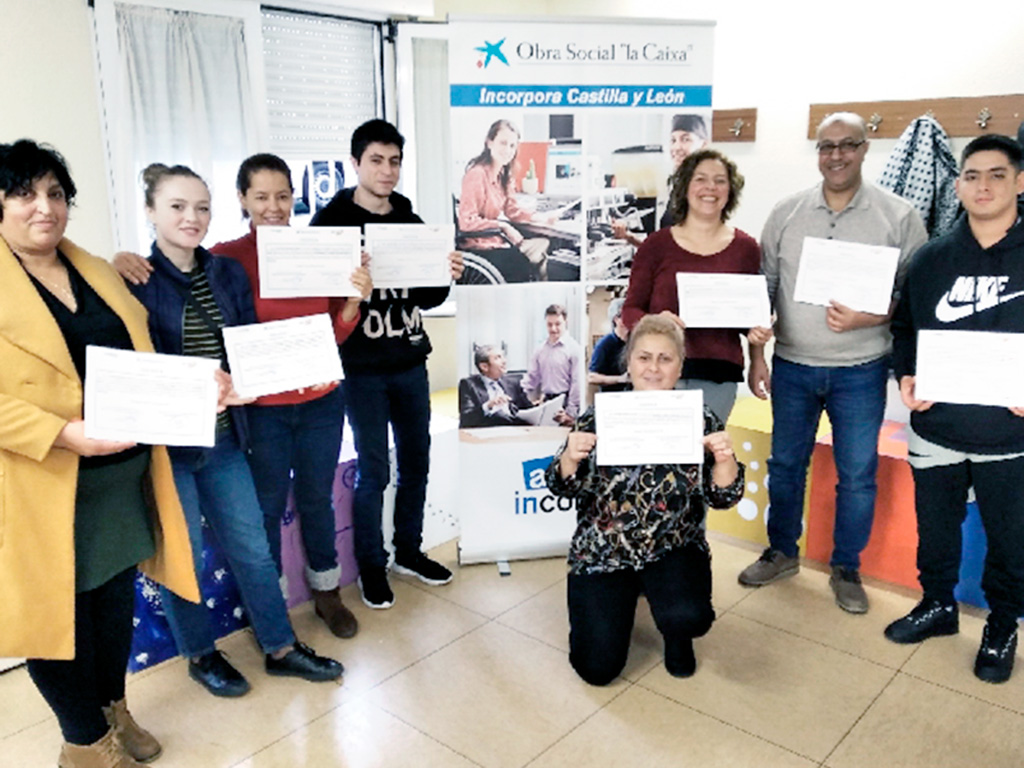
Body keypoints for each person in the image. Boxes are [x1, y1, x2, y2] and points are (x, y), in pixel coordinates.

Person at [116, 154, 372, 640]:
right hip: (260, 411)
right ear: (242, 199)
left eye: (283, 196)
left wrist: (356, 297)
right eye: (261, 196)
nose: (274, 206)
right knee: (266, 511)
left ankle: (326, 592)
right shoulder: (225, 260)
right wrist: (118, 261)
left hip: (320, 401)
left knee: (317, 499)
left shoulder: (319, 250)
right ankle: (273, 608)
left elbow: (335, 333)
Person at [0, 140, 198, 767]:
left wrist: (199, 388)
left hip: (120, 478)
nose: (44, 207)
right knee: (56, 619)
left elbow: (141, 360)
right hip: (41, 483)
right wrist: (61, 434)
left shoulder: (95, 268)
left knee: (113, 605)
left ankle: (113, 707)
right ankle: (83, 742)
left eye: (55, 193)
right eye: (24, 194)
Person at [738, 112, 928, 614]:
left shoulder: (899, 216)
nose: (836, 155)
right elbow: (764, 292)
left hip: (862, 369)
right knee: (785, 467)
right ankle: (782, 551)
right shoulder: (787, 212)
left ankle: (847, 567)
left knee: (858, 475)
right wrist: (756, 356)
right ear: (817, 153)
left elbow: (915, 297)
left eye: (847, 145)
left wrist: (873, 316)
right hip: (793, 365)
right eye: (826, 146)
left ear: (864, 149)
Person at [310, 119, 464, 610]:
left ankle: (408, 552)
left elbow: (429, 296)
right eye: (376, 160)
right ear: (355, 163)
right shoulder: (330, 223)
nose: (387, 171)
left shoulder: (410, 220)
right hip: (361, 368)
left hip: (409, 359)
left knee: (417, 461)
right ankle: (372, 566)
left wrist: (447, 273)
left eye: (394, 161)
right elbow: (315, 297)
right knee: (374, 470)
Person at [887, 134, 1024, 683]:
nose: (982, 185)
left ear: (1020, 182)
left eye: (996, 174)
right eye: (971, 175)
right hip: (937, 428)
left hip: (1010, 435)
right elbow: (904, 331)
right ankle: (938, 604)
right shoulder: (931, 258)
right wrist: (906, 376)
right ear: (959, 185)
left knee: (1011, 539)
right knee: (936, 530)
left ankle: (1002, 625)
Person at [545, 315, 744, 685]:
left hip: (673, 545)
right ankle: (624, 596)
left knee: (689, 617)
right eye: (644, 357)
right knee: (597, 669)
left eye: (665, 359)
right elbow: (561, 487)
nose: (653, 368)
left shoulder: (700, 419)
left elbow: (723, 497)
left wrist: (725, 460)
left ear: (680, 367)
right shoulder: (598, 417)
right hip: (604, 549)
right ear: (629, 363)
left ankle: (675, 632)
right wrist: (570, 458)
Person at [621, 148, 766, 423]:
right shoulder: (655, 246)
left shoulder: (746, 249)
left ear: (730, 191)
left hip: (719, 375)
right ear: (685, 187)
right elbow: (630, 310)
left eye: (720, 181)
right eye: (700, 179)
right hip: (658, 372)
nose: (710, 187)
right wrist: (655, 321)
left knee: (706, 448)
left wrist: (757, 353)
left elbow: (751, 317)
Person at [457, 118, 556, 282]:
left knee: (546, 246)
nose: (508, 150)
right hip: (480, 247)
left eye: (512, 145)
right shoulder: (476, 175)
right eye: (503, 143)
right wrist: (502, 225)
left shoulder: (504, 175)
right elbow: (466, 222)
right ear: (489, 142)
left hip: (497, 241)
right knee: (528, 261)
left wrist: (540, 217)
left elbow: (512, 210)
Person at [612, 113, 709, 245]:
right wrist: (628, 237)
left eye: (686, 139)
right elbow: (663, 249)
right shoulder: (677, 187)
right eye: (673, 140)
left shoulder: (705, 192)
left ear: (704, 145)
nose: (677, 147)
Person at [521, 304, 581, 426]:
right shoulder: (540, 350)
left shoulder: (574, 349)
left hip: (565, 402)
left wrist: (571, 412)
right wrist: (517, 394)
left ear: (565, 322)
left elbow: (577, 382)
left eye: (558, 324)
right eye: (549, 324)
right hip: (547, 401)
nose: (553, 329)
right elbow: (532, 378)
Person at [458, 344, 533, 428]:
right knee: (498, 416)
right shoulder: (469, 385)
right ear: (484, 367)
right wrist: (488, 406)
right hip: (486, 431)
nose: (504, 361)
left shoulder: (514, 382)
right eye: (497, 358)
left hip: (515, 429)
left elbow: (529, 411)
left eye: (503, 357)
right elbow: (466, 419)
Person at [587, 297, 630, 392]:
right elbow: (592, 377)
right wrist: (620, 379)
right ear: (616, 319)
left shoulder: (634, 342)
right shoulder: (604, 344)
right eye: (627, 315)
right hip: (611, 397)